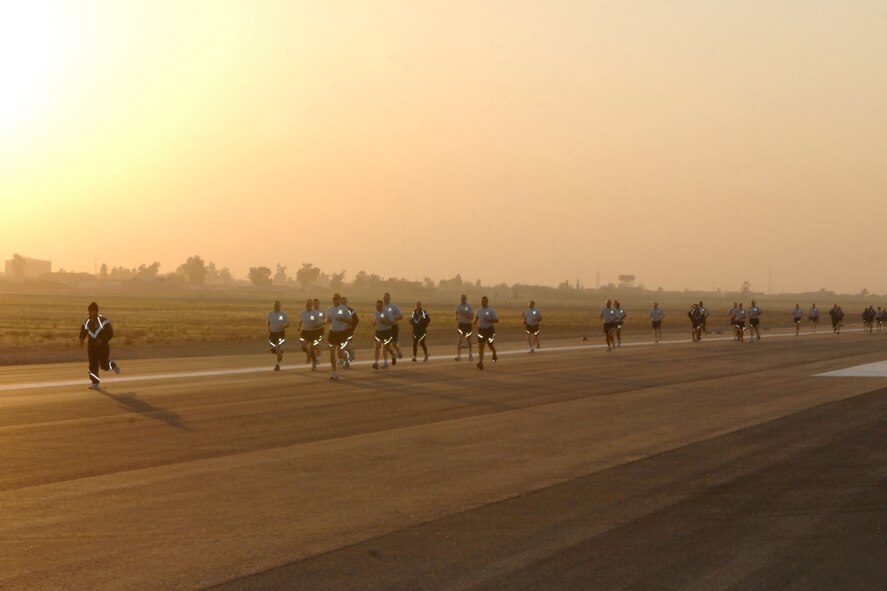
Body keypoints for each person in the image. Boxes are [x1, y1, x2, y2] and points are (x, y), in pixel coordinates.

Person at [78, 301, 120, 389]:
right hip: (92, 347)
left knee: (104, 365)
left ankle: (113, 365)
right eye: (89, 311)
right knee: (93, 364)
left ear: (96, 311)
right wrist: (81, 338)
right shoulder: (87, 322)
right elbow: (83, 331)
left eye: (92, 311)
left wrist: (102, 340)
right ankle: (95, 383)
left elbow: (110, 333)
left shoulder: (104, 321)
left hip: (102, 347)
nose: (90, 313)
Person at [325, 293, 353, 381]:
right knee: (332, 351)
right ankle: (334, 373)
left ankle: (347, 356)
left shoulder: (344, 309)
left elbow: (350, 320)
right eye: (333, 299)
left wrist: (343, 319)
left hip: (342, 333)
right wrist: (327, 320)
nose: (335, 300)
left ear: (340, 300)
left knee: (340, 354)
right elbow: (327, 319)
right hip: (332, 333)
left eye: (336, 298)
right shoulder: (330, 309)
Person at [473, 296, 499, 370]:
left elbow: (497, 320)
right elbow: (476, 318)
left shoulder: (491, 310)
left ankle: (494, 353)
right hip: (481, 329)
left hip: (489, 330)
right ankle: (480, 362)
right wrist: (474, 321)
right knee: (481, 346)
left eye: (484, 301)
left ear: (487, 302)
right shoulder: (479, 310)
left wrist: (490, 320)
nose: (483, 302)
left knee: (490, 345)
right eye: (482, 301)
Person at [372, 299, 396, 369]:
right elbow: (375, 320)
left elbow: (392, 322)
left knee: (386, 348)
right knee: (377, 346)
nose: (377, 308)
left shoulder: (387, 313)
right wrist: (374, 322)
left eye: (378, 306)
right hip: (378, 331)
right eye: (376, 306)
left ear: (382, 306)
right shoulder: (376, 312)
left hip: (386, 332)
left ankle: (390, 358)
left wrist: (385, 322)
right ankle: (376, 363)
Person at [267, 300, 290, 371]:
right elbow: (268, 321)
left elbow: (288, 324)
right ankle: (280, 352)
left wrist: (284, 326)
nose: (276, 306)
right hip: (272, 334)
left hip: (280, 333)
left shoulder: (283, 314)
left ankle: (277, 365)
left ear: (280, 306)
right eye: (275, 305)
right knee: (273, 350)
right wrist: (267, 327)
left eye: (277, 305)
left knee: (277, 348)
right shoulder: (270, 313)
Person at [298, 299, 320, 370]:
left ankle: (314, 364)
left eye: (310, 304)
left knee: (312, 349)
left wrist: (316, 326)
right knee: (302, 346)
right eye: (307, 303)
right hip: (305, 332)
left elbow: (319, 324)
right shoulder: (303, 312)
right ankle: (308, 353)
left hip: (313, 332)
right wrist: (299, 327)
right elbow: (300, 320)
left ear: (312, 305)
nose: (308, 305)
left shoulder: (315, 313)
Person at [382, 293, 404, 360]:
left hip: (393, 327)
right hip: (385, 329)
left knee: (394, 344)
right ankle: (392, 355)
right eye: (384, 298)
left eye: (387, 298)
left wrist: (393, 319)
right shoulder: (381, 307)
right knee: (386, 346)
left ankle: (398, 350)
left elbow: (401, 316)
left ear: (389, 299)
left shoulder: (394, 306)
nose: (385, 299)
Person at [339, 296, 358, 366]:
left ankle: (346, 361)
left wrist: (351, 326)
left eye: (344, 301)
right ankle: (350, 353)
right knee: (341, 347)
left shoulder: (351, 310)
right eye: (342, 301)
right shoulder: (338, 310)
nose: (343, 303)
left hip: (348, 332)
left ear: (346, 302)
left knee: (344, 347)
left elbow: (356, 320)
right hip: (339, 331)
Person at [455, 294, 474, 361]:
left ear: (466, 299)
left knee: (469, 340)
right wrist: (457, 317)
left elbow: (472, 317)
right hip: (461, 325)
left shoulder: (469, 306)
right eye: (461, 299)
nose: (462, 300)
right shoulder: (458, 306)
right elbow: (457, 312)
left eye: (463, 299)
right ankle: (459, 355)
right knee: (459, 339)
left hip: (468, 325)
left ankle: (470, 354)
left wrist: (466, 315)